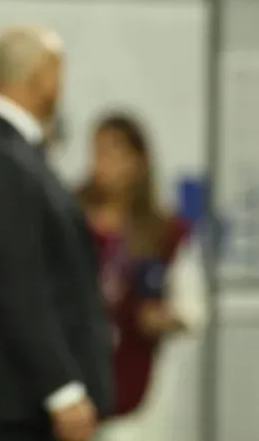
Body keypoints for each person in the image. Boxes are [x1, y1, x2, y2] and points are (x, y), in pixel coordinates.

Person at [0, 26, 111, 441]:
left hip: (13, 396)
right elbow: (16, 284)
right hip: (14, 400)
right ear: (44, 76)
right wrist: (61, 389)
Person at [78, 114, 208, 441]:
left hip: (136, 389)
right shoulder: (71, 216)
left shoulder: (163, 231)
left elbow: (193, 309)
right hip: (73, 385)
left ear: (138, 162)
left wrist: (163, 318)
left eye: (114, 153)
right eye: (98, 151)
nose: (102, 163)